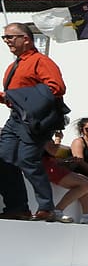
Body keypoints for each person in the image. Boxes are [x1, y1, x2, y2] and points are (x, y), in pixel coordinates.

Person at [0, 23, 67, 221]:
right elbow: (14, 98)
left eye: (10, 37)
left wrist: (26, 101)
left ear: (26, 39)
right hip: (16, 118)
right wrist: (7, 98)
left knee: (27, 159)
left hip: (35, 119)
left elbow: (57, 87)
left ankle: (47, 207)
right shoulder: (13, 66)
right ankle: (18, 207)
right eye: (5, 38)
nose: (7, 41)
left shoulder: (41, 61)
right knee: (3, 161)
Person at [42, 136, 88, 224]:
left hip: (52, 165)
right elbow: (53, 151)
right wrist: (58, 139)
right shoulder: (44, 134)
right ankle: (57, 211)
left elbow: (52, 155)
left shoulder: (45, 134)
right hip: (47, 167)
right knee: (85, 185)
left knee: (87, 181)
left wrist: (66, 161)